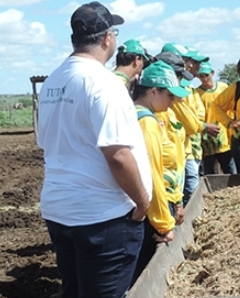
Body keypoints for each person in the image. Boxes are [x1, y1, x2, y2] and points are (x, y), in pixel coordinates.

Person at [36, 2, 150, 297]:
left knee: (73, 291)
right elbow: (118, 155)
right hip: (103, 216)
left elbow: (47, 142)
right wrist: (142, 203)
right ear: (107, 38)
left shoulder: (53, 81)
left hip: (60, 208)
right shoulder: (104, 83)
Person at [129, 60, 189, 282]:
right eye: (169, 96)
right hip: (148, 211)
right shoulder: (148, 122)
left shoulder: (129, 112)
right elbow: (152, 175)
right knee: (142, 271)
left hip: (130, 205)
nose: (172, 102)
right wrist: (164, 224)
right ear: (153, 92)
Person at [155, 50, 203, 206]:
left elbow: (196, 122)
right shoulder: (153, 116)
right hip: (165, 187)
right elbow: (192, 125)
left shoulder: (170, 108)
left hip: (176, 174)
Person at [196, 61, 235, 175]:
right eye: (201, 76)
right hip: (207, 140)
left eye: (206, 75)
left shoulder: (223, 88)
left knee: (231, 170)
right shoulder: (197, 93)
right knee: (209, 173)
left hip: (224, 138)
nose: (204, 79)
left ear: (212, 73)